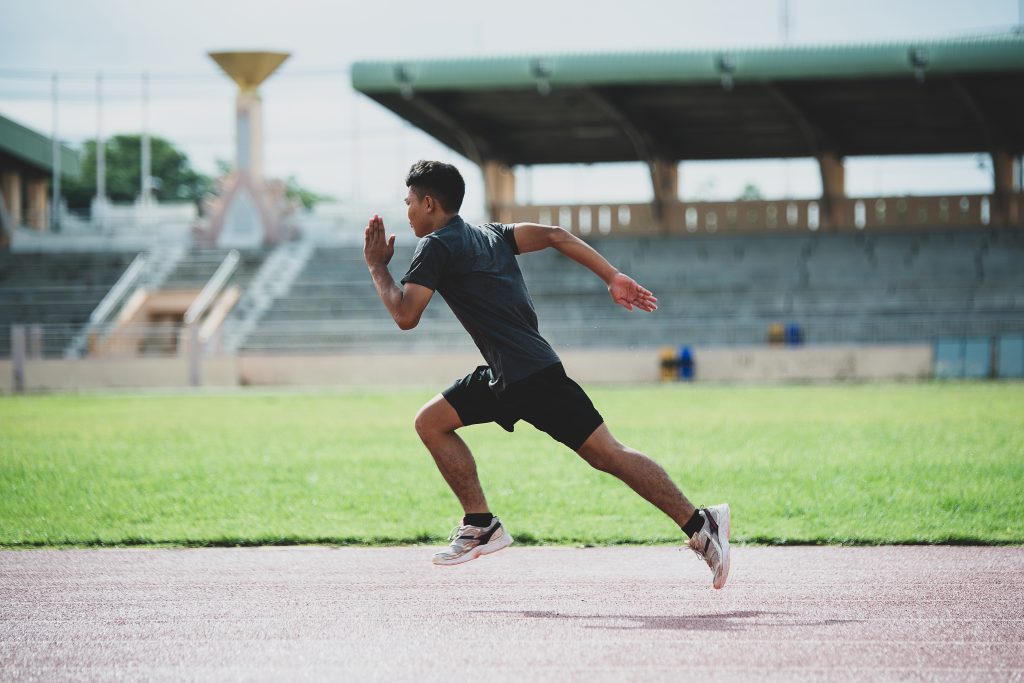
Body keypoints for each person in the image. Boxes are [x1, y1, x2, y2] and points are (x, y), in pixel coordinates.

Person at [363, 160, 731, 589]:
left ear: (429, 203)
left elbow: (406, 315)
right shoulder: (492, 234)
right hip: (509, 375)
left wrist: (377, 266)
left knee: (607, 454)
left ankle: (700, 523)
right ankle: (480, 523)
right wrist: (611, 276)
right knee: (431, 422)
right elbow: (556, 235)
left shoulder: (437, 246)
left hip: (531, 377)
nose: (406, 212)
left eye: (409, 203)